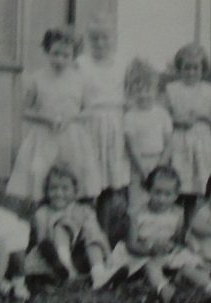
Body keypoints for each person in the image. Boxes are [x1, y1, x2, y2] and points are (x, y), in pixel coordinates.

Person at [6, 26, 101, 208]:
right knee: (41, 175)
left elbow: (89, 111)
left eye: (66, 55)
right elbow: (24, 111)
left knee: (75, 176)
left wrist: (71, 117)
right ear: (47, 51)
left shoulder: (80, 80)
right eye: (55, 53)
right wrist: (46, 118)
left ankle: (75, 216)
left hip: (72, 136)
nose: (59, 59)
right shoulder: (37, 78)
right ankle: (42, 217)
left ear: (74, 55)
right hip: (44, 136)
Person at [110, 166, 211, 303]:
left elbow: (179, 239)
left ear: (176, 195)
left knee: (187, 266)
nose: (162, 199)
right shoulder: (137, 214)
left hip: (166, 255)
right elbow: (131, 245)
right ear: (148, 191)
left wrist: (183, 243)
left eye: (168, 194)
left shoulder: (177, 213)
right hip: (143, 254)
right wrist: (150, 250)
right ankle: (165, 290)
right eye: (157, 193)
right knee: (150, 265)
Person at [27, 164, 127, 289]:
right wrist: (55, 261)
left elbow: (98, 234)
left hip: (80, 256)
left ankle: (99, 274)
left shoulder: (83, 210)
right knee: (61, 227)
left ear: (75, 191)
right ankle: (66, 270)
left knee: (91, 232)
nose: (59, 193)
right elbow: (42, 242)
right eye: (53, 188)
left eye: (65, 188)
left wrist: (108, 256)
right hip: (52, 259)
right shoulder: (43, 213)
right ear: (46, 191)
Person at [77, 15, 130, 245]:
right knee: (89, 183)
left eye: (105, 38)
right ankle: (87, 237)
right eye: (95, 39)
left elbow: (129, 94)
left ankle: (105, 235)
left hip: (115, 125)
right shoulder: (80, 63)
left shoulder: (121, 63)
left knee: (110, 185)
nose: (100, 43)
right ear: (88, 40)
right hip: (89, 124)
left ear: (113, 39)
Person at [164, 42, 211, 226]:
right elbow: (162, 118)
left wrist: (203, 116)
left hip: (201, 143)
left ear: (202, 68)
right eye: (186, 68)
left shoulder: (210, 91)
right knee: (175, 187)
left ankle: (189, 229)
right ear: (179, 69)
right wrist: (178, 121)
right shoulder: (172, 89)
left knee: (195, 190)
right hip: (179, 142)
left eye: (196, 68)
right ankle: (169, 226)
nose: (191, 72)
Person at [123, 58, 173, 214]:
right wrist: (143, 170)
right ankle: (137, 234)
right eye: (138, 91)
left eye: (148, 90)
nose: (143, 95)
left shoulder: (162, 114)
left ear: (156, 90)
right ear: (131, 92)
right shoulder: (130, 116)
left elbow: (169, 143)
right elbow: (131, 146)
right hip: (138, 164)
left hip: (159, 160)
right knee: (137, 202)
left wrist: (161, 166)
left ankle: (159, 230)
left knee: (159, 199)